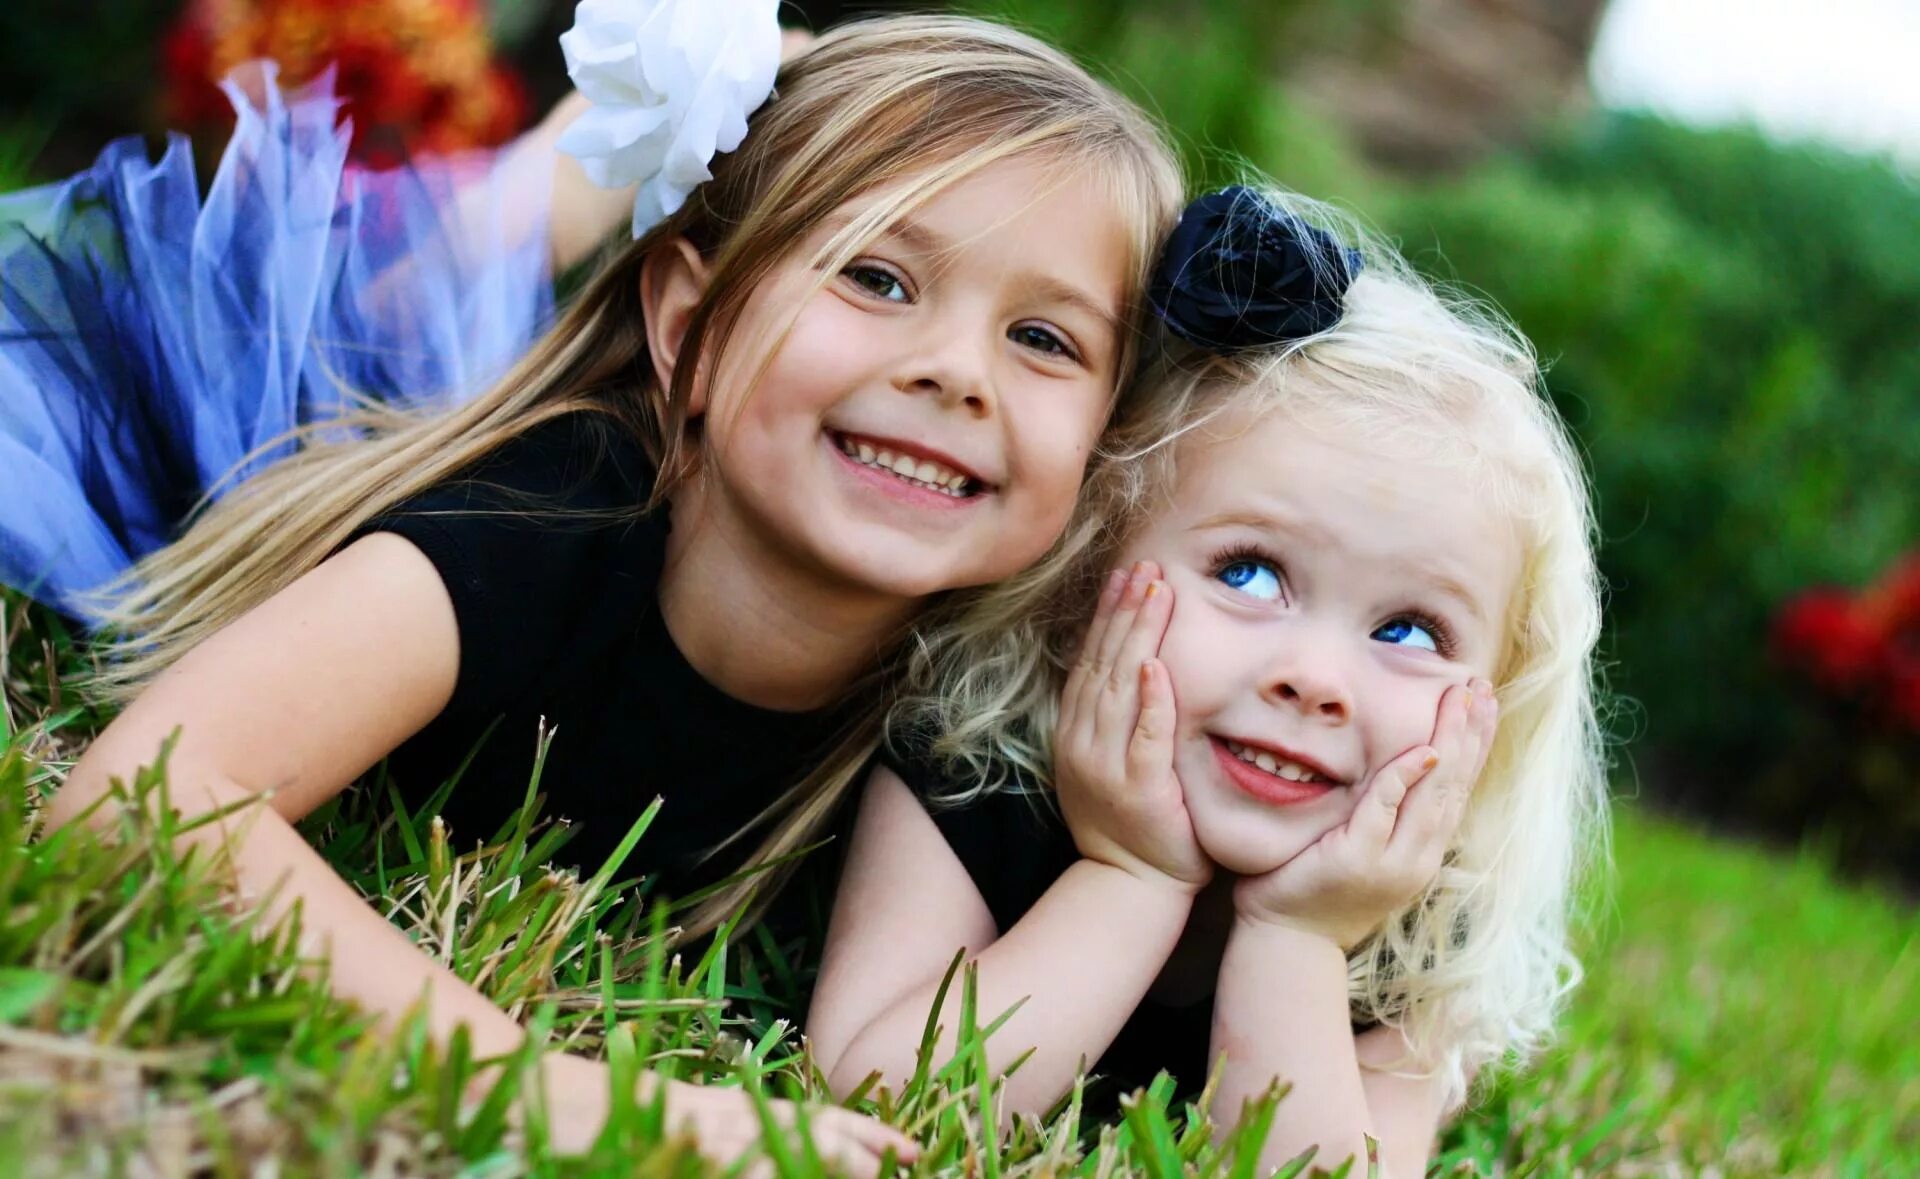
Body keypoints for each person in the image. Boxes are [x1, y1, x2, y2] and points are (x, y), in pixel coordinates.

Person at [14, 6, 1186, 1171]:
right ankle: (559, 180)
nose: (958, 371)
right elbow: (141, 805)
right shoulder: (552, 511)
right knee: (389, 319)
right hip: (305, 412)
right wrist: (525, 1082)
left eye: (1045, 339)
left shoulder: (986, 701)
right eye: (876, 277)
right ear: (690, 328)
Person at [808, 186, 1608, 1177]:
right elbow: (874, 1087)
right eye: (1251, 573)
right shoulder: (976, 768)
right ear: (1092, 568)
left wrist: (1299, 942)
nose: (1314, 681)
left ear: (1498, 696)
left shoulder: (1420, 916)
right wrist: (1131, 877)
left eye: (1408, 630)